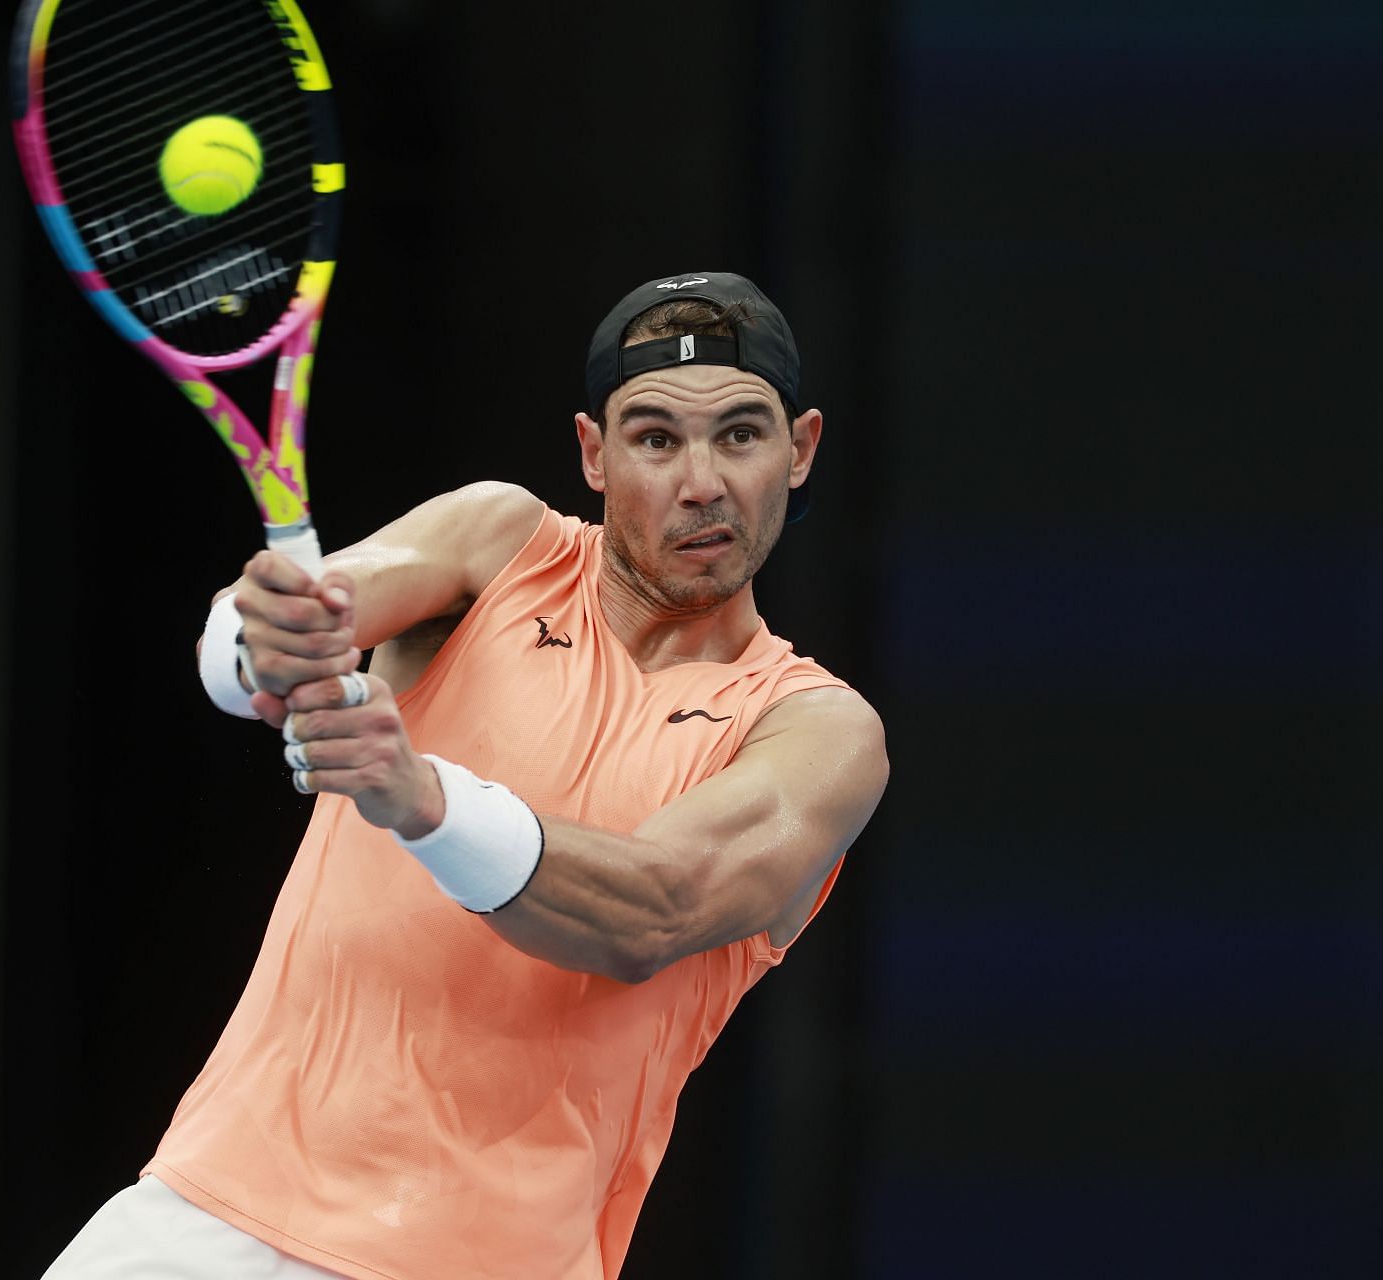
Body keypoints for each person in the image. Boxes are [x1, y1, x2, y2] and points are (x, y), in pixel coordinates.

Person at [45, 272, 889, 1280]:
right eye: (655, 438)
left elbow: (652, 909)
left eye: (740, 436)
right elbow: (281, 631)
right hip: (208, 1217)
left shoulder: (817, 730)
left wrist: (426, 798)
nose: (700, 480)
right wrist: (249, 642)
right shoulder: (496, 542)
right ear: (593, 451)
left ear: (799, 450)